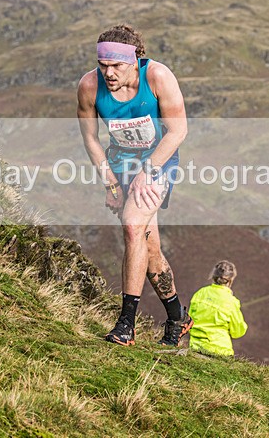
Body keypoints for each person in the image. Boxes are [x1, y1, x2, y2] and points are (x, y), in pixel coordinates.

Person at [77, 24, 192, 346]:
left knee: (131, 225)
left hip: (159, 159)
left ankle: (126, 323)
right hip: (119, 162)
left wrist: (149, 170)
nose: (109, 73)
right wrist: (110, 184)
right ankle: (177, 317)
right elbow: (90, 138)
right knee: (148, 245)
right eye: (103, 65)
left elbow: (178, 131)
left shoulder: (158, 77)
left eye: (117, 66)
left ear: (135, 60)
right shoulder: (89, 86)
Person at [188, 261, 247, 356]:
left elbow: (189, 322)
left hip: (195, 347)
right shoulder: (231, 301)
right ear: (231, 279)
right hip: (221, 351)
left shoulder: (200, 293)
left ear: (213, 276)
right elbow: (238, 332)